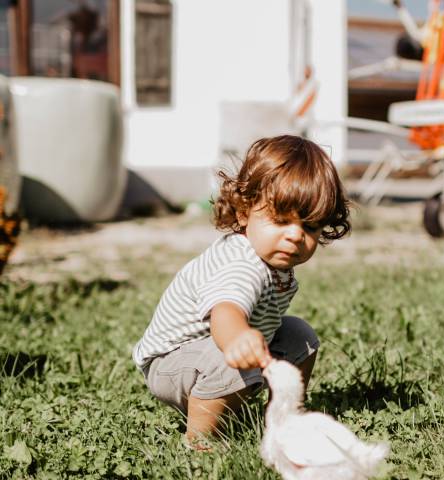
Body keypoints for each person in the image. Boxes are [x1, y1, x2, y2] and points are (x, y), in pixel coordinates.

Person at [132, 135, 351, 449]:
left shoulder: (275, 263)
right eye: (280, 220)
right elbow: (226, 310)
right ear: (245, 212)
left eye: (310, 227)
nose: (295, 236)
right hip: (170, 364)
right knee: (228, 360)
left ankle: (283, 416)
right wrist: (236, 337)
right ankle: (200, 443)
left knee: (299, 335)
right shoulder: (241, 262)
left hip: (209, 353)